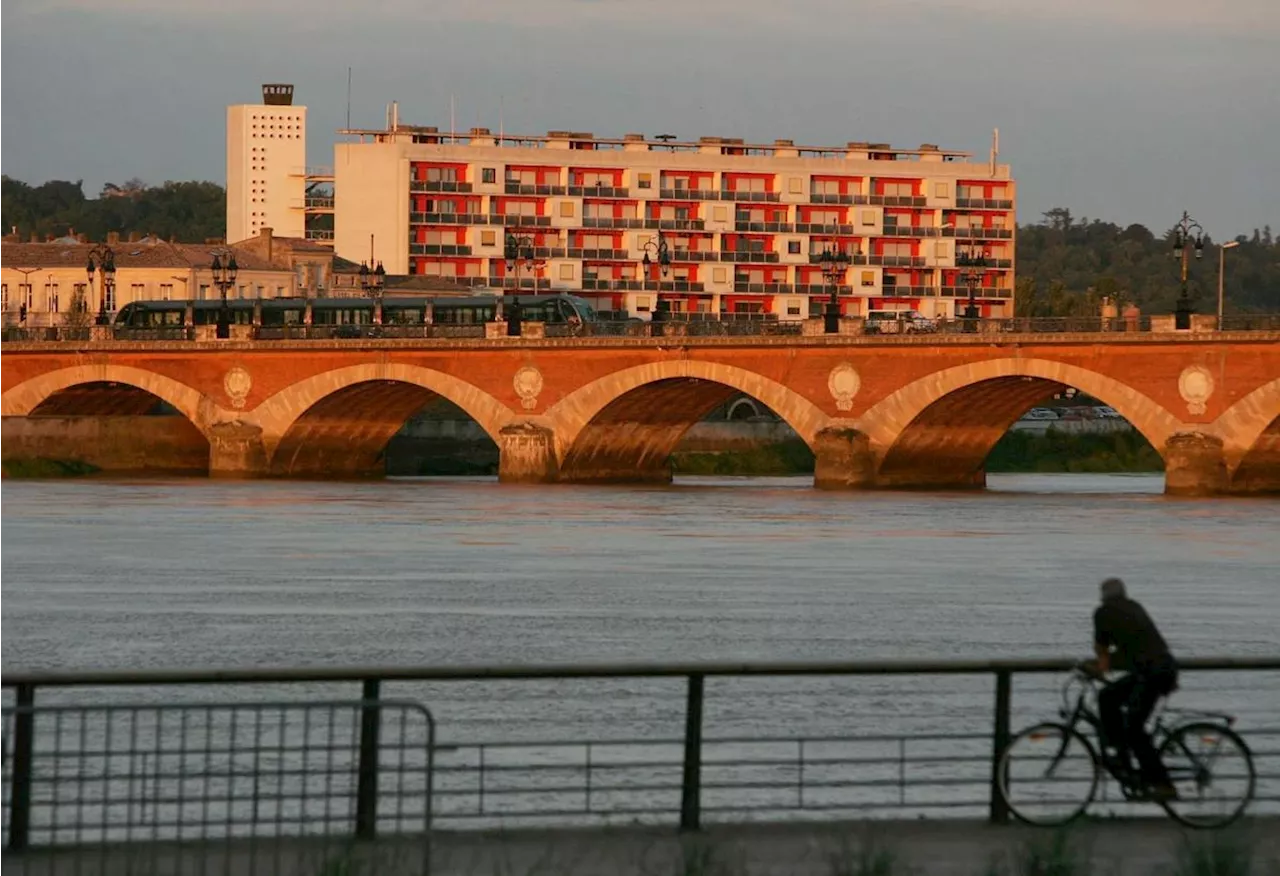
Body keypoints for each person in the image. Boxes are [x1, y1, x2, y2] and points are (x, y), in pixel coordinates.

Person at [1089, 577, 1179, 799]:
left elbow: (1102, 652)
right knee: (1107, 696)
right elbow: (1135, 645)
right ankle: (1120, 756)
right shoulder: (1135, 606)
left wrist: (1095, 668)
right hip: (1161, 668)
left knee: (1134, 727)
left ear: (1103, 595)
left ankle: (1163, 784)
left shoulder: (1103, 612)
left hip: (1152, 673)